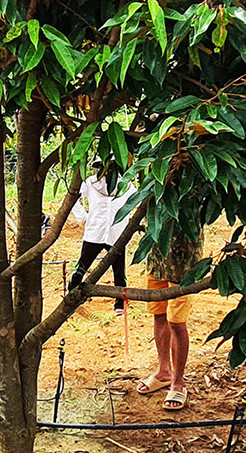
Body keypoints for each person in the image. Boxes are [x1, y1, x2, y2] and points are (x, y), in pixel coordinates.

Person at [137, 228, 202, 411]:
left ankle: (178, 382)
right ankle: (164, 371)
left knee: (177, 322)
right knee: (159, 314)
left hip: (184, 266)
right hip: (156, 260)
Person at [69, 169, 132, 314]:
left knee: (117, 271)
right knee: (82, 268)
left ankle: (119, 302)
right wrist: (83, 216)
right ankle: (72, 296)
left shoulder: (125, 185)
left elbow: (139, 200)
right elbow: (74, 198)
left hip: (111, 233)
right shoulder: (91, 182)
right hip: (98, 232)